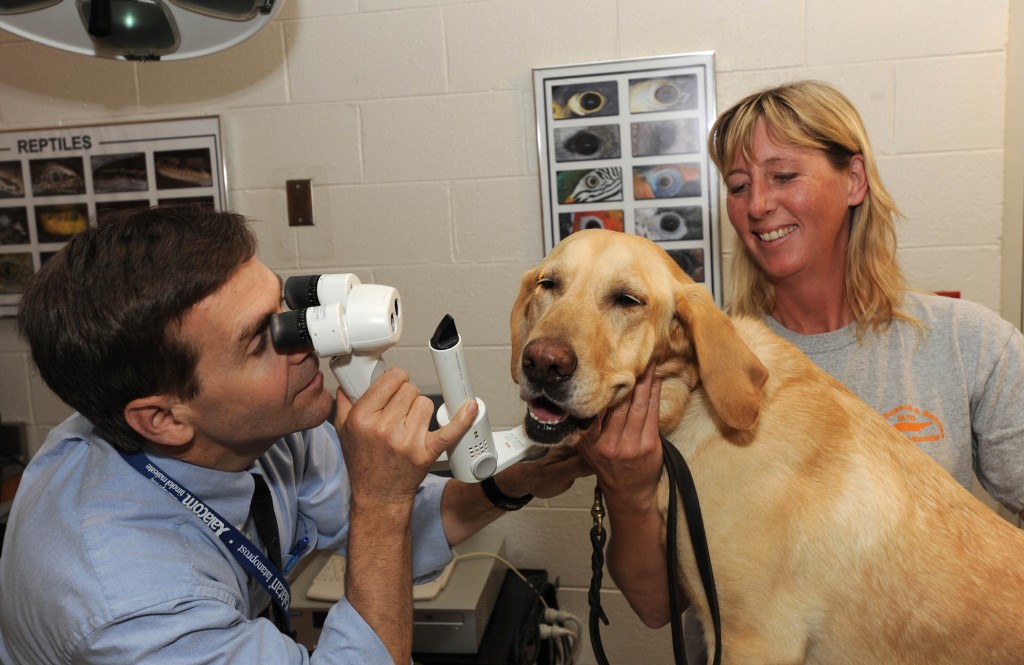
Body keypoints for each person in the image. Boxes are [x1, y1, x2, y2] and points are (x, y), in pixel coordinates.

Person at [0, 204, 589, 665]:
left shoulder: (260, 423)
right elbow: (379, 524)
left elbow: (379, 527)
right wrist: (381, 503)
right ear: (164, 419)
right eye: (262, 339)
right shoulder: (128, 603)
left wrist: (515, 482)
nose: (307, 338)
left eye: (287, 306)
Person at [580, 80, 1024, 656]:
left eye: (783, 176)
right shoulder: (694, 362)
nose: (758, 205)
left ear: (854, 181)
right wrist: (627, 491)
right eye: (738, 186)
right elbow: (657, 606)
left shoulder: (970, 343)